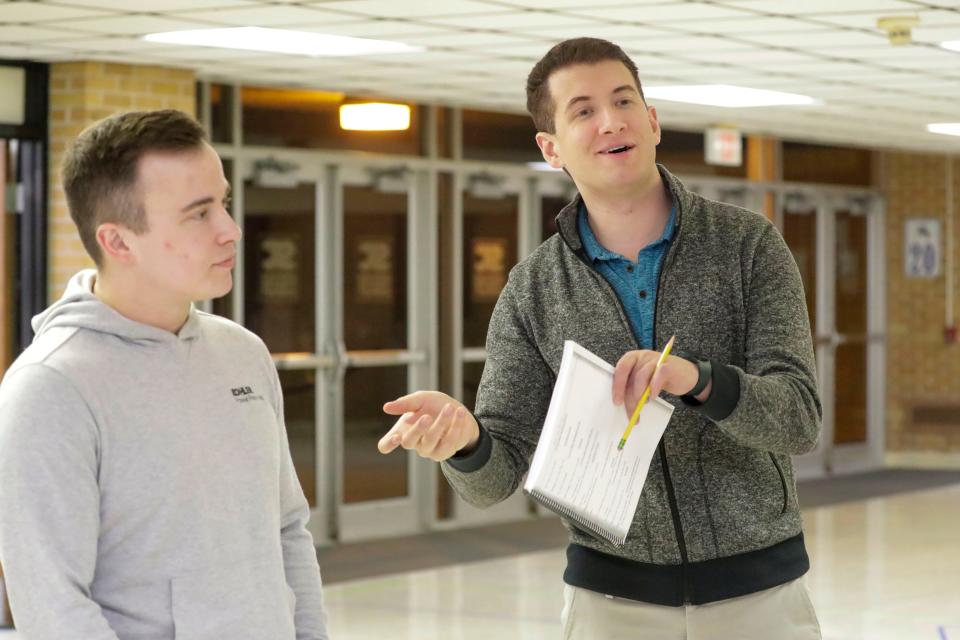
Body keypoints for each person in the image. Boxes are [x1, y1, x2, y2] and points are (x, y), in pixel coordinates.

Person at [378, 38, 821, 639]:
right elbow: (496, 476)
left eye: (623, 101)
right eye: (583, 110)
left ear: (653, 121)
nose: (611, 121)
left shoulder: (747, 247)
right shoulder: (532, 289)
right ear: (551, 147)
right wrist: (465, 441)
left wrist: (699, 381)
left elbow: (797, 418)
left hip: (759, 595)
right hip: (611, 602)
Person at [0, 110, 329, 640]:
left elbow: (288, 531)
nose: (230, 229)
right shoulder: (50, 387)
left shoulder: (242, 353)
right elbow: (52, 606)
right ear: (119, 242)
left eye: (222, 203)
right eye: (198, 214)